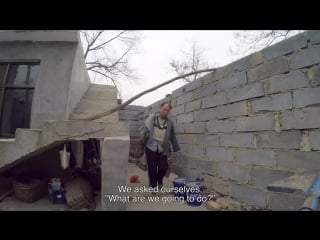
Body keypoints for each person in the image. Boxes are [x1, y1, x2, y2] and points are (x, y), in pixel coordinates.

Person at [140, 102, 180, 190]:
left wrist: (176, 148)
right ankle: (153, 186)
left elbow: (172, 136)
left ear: (169, 112)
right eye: (164, 109)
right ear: (160, 108)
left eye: (167, 111)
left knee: (163, 168)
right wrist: (142, 140)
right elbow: (145, 129)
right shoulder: (152, 118)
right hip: (151, 147)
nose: (165, 112)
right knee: (152, 168)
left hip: (163, 148)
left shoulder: (170, 123)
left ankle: (159, 180)